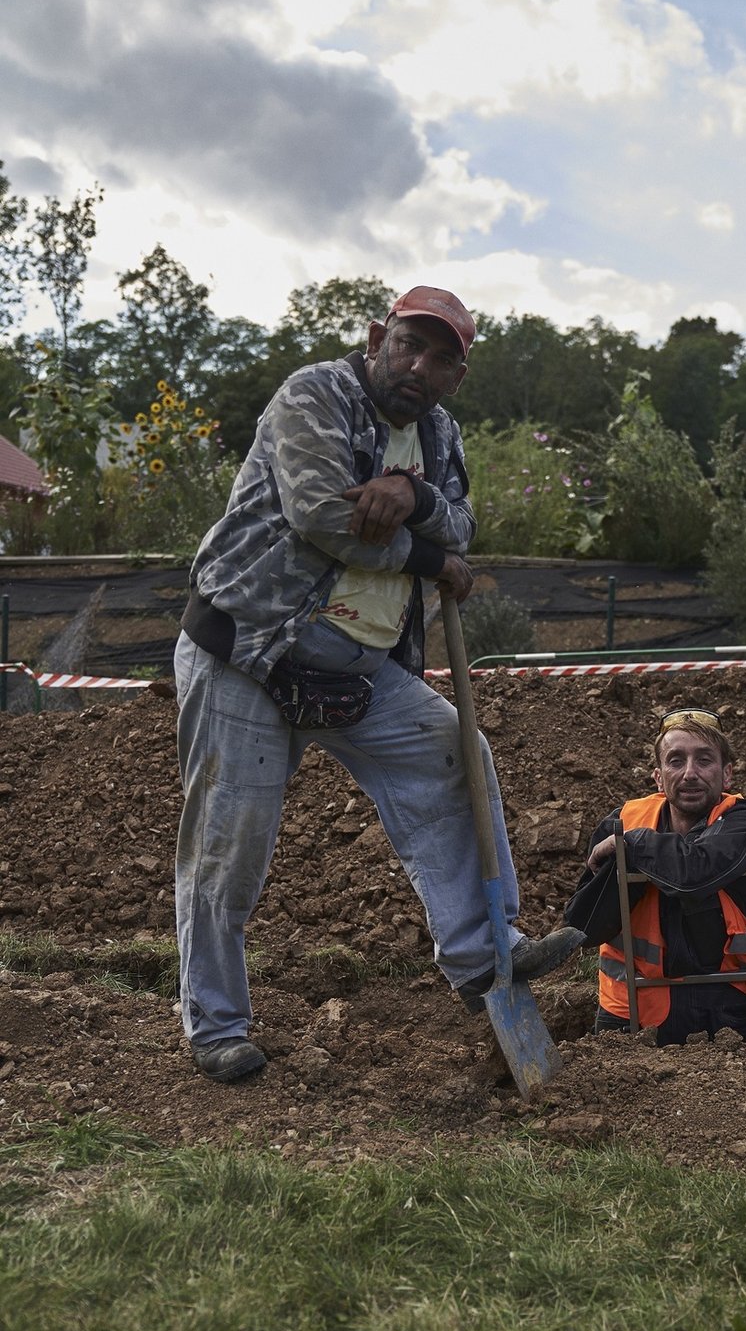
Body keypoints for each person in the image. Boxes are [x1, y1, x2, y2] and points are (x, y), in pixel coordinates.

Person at [174, 286, 583, 1082]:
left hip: (357, 668)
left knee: (453, 753)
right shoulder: (314, 394)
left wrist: (416, 495)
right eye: (409, 345)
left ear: (458, 377)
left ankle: (483, 954)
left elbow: (462, 520)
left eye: (441, 359)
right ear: (376, 337)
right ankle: (215, 1026)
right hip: (251, 652)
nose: (419, 367)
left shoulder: (437, 432)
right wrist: (431, 558)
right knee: (230, 846)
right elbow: (321, 516)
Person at [563, 707, 746, 1044]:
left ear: (727, 774)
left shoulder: (745, 823)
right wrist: (628, 856)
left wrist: (633, 846)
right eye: (676, 761)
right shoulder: (624, 821)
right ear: (659, 778)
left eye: (704, 760)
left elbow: (694, 874)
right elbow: (583, 926)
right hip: (631, 1011)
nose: (690, 773)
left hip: (724, 1010)